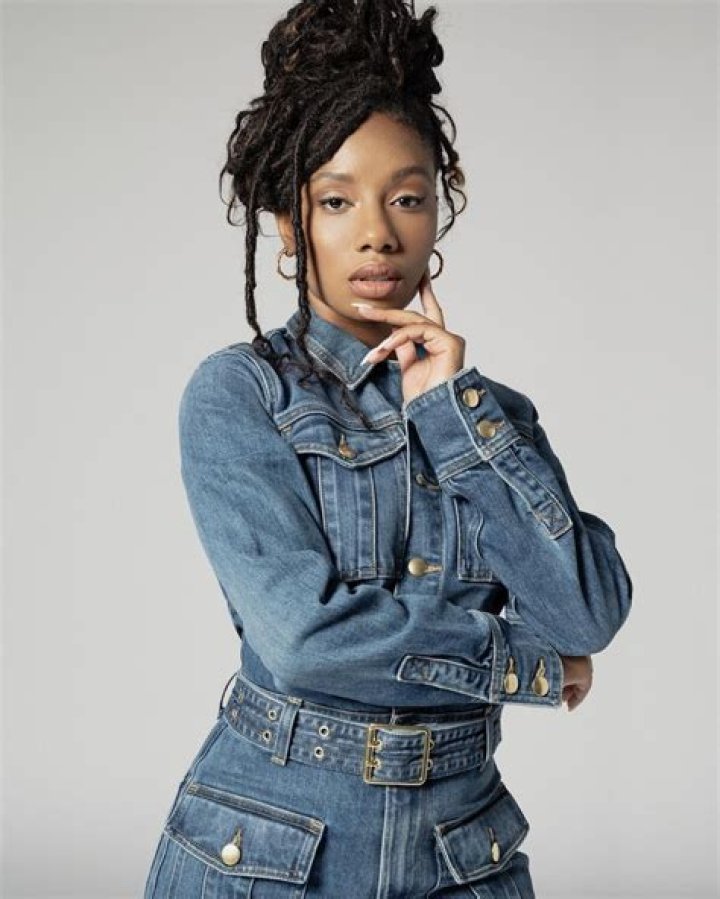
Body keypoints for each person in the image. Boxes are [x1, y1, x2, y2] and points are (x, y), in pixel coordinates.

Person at [142, 1, 633, 896]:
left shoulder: (489, 417)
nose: (377, 232)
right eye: (336, 200)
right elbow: (305, 638)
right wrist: (524, 665)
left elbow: (588, 614)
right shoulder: (242, 394)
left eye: (406, 197)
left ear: (438, 212)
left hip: (463, 853)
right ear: (288, 224)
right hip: (273, 852)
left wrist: (452, 415)